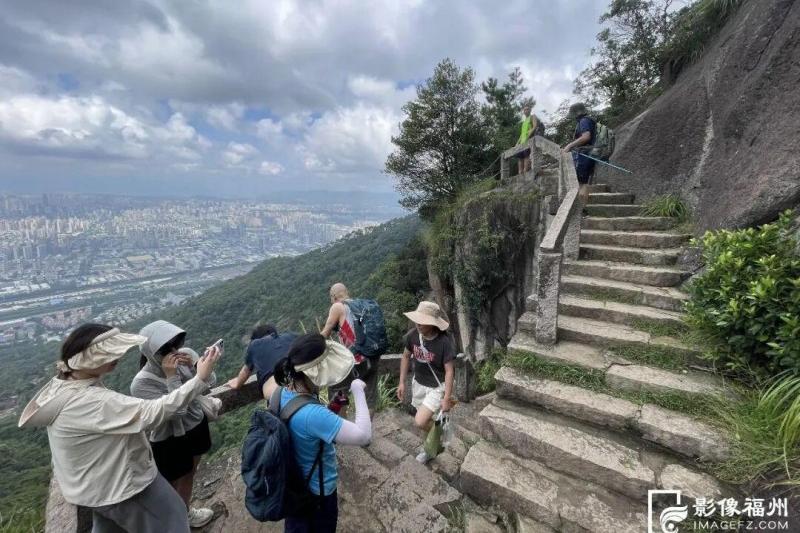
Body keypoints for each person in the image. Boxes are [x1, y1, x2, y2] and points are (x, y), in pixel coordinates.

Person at [18, 323, 221, 533]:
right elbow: (154, 413)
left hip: (95, 488)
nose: (118, 357)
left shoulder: (66, 388)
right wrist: (198, 379)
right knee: (173, 519)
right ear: (91, 359)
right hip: (123, 486)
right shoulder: (93, 400)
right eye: (110, 353)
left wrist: (196, 370)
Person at [263, 333, 372, 533]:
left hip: (293, 486)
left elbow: (302, 429)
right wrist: (358, 390)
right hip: (318, 493)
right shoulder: (314, 415)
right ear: (316, 373)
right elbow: (364, 436)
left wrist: (333, 407)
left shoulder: (279, 392)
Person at [131, 320, 216, 528]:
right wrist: (171, 377)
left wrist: (195, 366)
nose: (173, 351)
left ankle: (185, 514)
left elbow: (210, 382)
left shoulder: (184, 356)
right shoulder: (141, 383)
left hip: (196, 426)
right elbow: (177, 412)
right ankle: (169, 523)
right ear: (151, 353)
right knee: (169, 484)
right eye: (165, 349)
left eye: (175, 345)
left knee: (190, 473)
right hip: (169, 438)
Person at [396, 301, 456, 464]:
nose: (418, 324)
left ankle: (439, 435)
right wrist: (402, 382)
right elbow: (406, 356)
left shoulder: (444, 342)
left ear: (433, 324)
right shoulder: (413, 335)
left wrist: (446, 398)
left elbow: (449, 370)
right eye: (418, 319)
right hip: (418, 384)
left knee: (420, 421)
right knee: (424, 423)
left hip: (436, 388)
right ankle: (430, 448)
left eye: (423, 321)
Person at [320, 283, 380, 413]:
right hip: (372, 355)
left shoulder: (338, 306)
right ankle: (366, 431)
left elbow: (325, 333)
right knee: (369, 398)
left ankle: (343, 430)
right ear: (347, 292)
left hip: (356, 359)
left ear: (333, 296)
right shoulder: (360, 305)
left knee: (337, 391)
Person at [227, 323, 298, 397]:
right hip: (302, 381)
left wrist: (237, 383)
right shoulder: (291, 336)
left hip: (276, 393)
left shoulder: (254, 345)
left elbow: (246, 371)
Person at [561, 102, 597, 207]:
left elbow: (586, 137)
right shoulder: (590, 120)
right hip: (591, 153)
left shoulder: (584, 121)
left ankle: (579, 210)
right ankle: (583, 209)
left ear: (577, 113)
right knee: (584, 183)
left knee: (580, 183)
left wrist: (570, 145)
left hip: (585, 155)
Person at [516, 103, 543, 175]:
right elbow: (522, 134)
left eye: (527, 109)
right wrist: (517, 143)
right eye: (524, 110)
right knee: (520, 158)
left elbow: (534, 126)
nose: (526, 111)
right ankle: (520, 173)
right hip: (522, 141)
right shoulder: (524, 122)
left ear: (530, 110)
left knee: (526, 156)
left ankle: (525, 172)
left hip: (528, 140)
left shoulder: (532, 116)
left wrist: (528, 136)